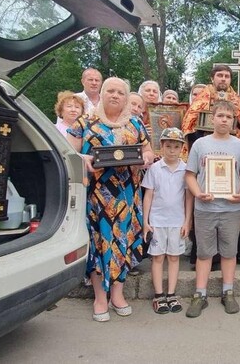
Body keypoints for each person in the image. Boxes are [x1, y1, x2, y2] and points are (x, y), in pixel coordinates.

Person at [66, 77, 155, 322]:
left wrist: (146, 158)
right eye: (110, 91)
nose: (115, 95)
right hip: (96, 198)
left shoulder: (135, 123)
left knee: (122, 244)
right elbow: (68, 152)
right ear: (102, 94)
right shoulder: (85, 122)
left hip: (126, 196)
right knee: (99, 245)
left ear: (127, 98)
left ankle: (117, 294)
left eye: (120, 92)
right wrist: (81, 158)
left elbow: (148, 151)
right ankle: (100, 298)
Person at [182, 65, 240, 264]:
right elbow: (188, 123)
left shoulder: (236, 101)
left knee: (234, 207)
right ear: (212, 78)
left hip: (233, 155)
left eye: (226, 76)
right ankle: (208, 259)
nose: (223, 79)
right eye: (219, 75)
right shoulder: (202, 98)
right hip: (207, 155)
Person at [184, 100, 240, 318]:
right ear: (212, 118)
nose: (224, 120)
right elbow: (190, 175)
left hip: (231, 209)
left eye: (229, 117)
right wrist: (197, 193)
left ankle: (228, 291)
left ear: (234, 121)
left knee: (229, 252)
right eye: (220, 115)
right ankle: (200, 295)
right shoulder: (200, 145)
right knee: (204, 253)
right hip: (205, 208)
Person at [142, 127, 192, 315]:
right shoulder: (155, 168)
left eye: (176, 147)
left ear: (182, 148)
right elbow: (148, 194)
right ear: (161, 146)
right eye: (168, 146)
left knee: (173, 257)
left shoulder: (185, 170)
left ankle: (171, 293)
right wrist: (146, 220)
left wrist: (187, 221)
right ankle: (158, 295)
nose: (172, 150)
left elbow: (188, 198)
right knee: (158, 257)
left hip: (177, 221)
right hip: (157, 221)